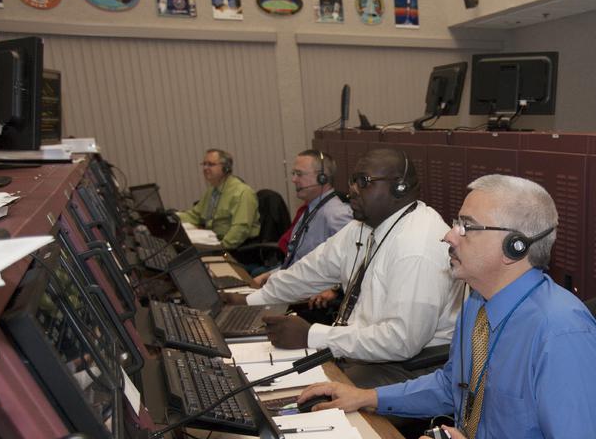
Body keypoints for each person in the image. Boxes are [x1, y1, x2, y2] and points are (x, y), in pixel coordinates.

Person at [293, 174, 596, 439]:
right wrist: (369, 398)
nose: (449, 236)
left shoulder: (561, 332)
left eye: (466, 227)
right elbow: (453, 383)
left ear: (513, 246)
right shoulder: (478, 304)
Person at [237, 147, 460, 388]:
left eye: (363, 181)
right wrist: (251, 301)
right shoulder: (363, 227)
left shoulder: (418, 247)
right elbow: (311, 270)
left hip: (410, 368)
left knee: (307, 397)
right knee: (269, 379)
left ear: (400, 187)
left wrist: (311, 335)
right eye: (352, 181)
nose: (352, 190)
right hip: (363, 352)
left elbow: (402, 340)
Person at [248, 149, 352, 292]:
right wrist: (271, 274)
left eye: (299, 174)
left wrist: (334, 289)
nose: (294, 180)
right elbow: (297, 262)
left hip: (306, 295)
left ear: (322, 178)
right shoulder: (312, 208)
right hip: (293, 285)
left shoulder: (336, 214)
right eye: (293, 174)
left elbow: (353, 262)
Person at [177, 148, 260, 248]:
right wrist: (171, 217)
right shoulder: (212, 190)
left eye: (211, 164)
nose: (205, 168)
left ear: (226, 168)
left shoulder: (242, 193)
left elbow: (240, 229)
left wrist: (219, 249)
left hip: (236, 247)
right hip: (214, 240)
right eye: (204, 164)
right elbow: (195, 215)